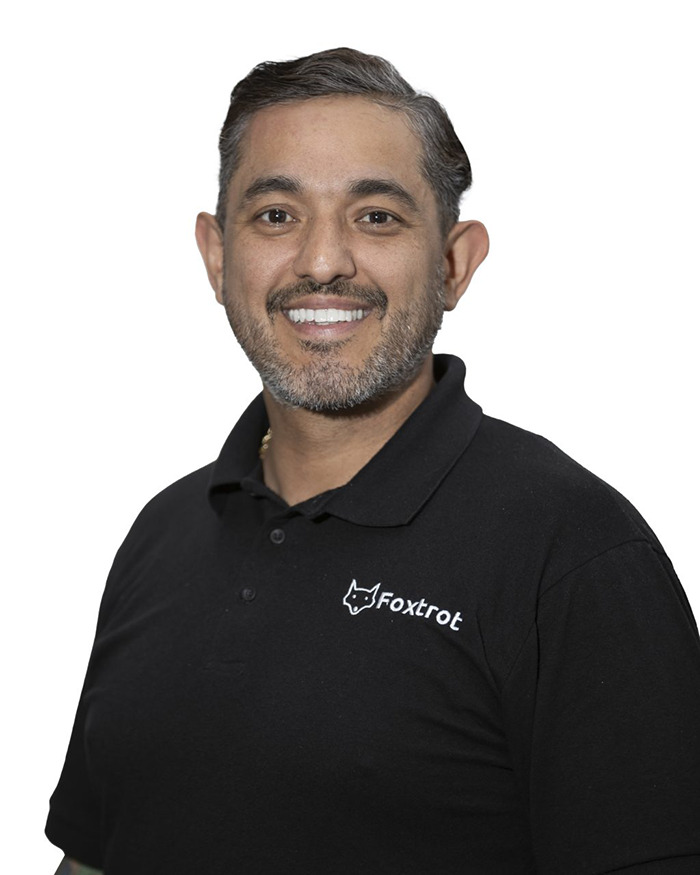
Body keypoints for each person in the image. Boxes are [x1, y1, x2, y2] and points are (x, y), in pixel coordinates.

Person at [47, 47, 700, 874]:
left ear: (454, 262)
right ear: (217, 256)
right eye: (277, 215)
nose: (323, 261)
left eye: (377, 217)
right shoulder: (162, 535)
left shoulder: (573, 552)